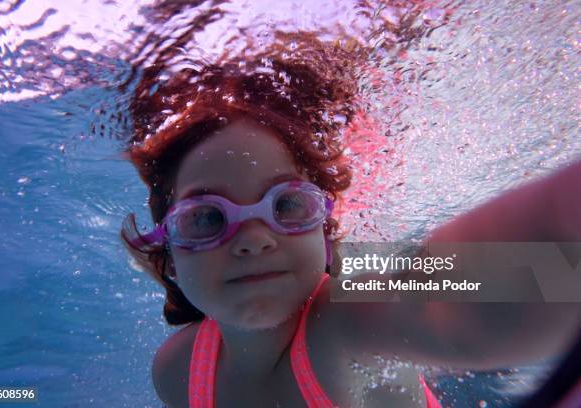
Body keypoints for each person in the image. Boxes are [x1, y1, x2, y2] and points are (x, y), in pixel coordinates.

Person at [120, 40, 581, 407]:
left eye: (286, 206)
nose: (255, 239)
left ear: (324, 232)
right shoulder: (176, 372)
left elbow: (444, 301)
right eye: (205, 218)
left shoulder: (342, 324)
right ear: (168, 257)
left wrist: (562, 234)